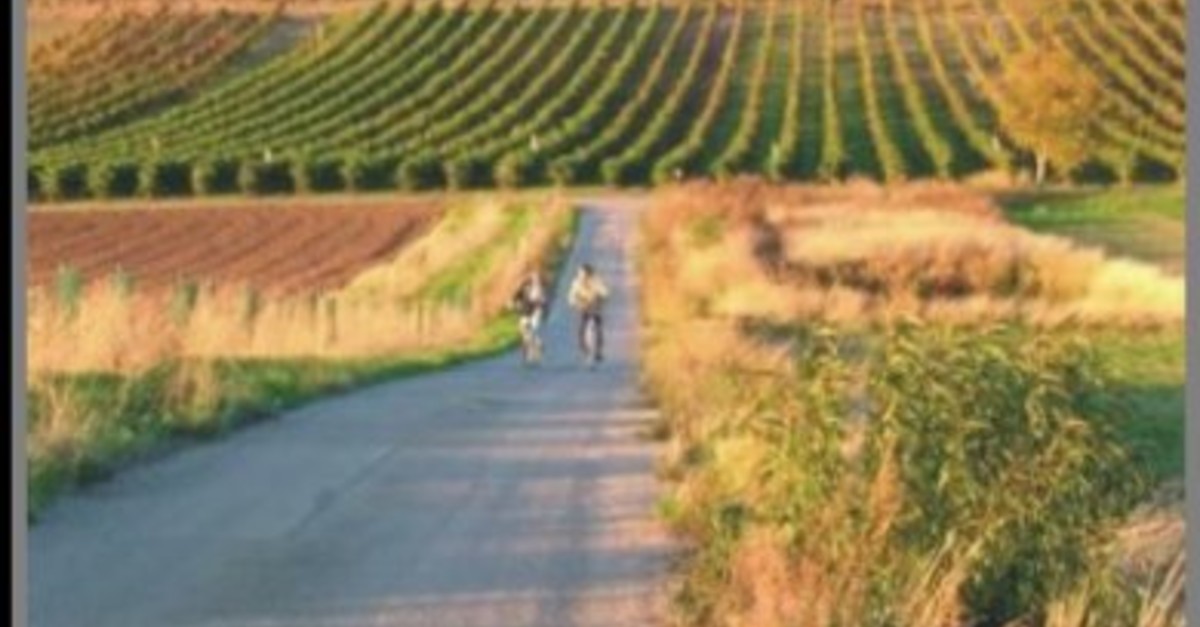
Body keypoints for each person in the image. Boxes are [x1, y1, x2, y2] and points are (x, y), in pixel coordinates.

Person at [568, 263, 609, 363]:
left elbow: (605, 292)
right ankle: (585, 349)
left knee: (598, 328)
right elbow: (571, 296)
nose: (581, 276)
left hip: (596, 308)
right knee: (581, 329)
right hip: (584, 308)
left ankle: (598, 350)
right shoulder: (576, 283)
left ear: (589, 274)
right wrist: (574, 302)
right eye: (580, 274)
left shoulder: (596, 281)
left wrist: (602, 297)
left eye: (583, 274)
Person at [511, 271, 547, 364]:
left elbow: (543, 302)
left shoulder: (541, 289)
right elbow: (515, 297)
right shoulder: (525, 287)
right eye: (534, 278)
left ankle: (535, 349)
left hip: (535, 313)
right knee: (524, 333)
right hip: (525, 312)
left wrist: (539, 304)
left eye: (538, 278)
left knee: (531, 331)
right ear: (531, 279)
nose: (536, 280)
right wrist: (515, 303)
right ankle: (531, 351)